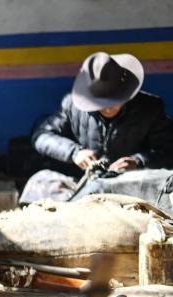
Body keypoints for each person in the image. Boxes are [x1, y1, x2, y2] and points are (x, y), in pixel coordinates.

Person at [22, 51, 173, 203]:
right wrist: (74, 152)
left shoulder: (150, 108)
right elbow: (41, 135)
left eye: (115, 101)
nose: (108, 108)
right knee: (39, 182)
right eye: (101, 103)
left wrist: (138, 161)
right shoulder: (72, 106)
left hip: (133, 186)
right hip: (85, 185)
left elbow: (168, 149)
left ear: (125, 91)